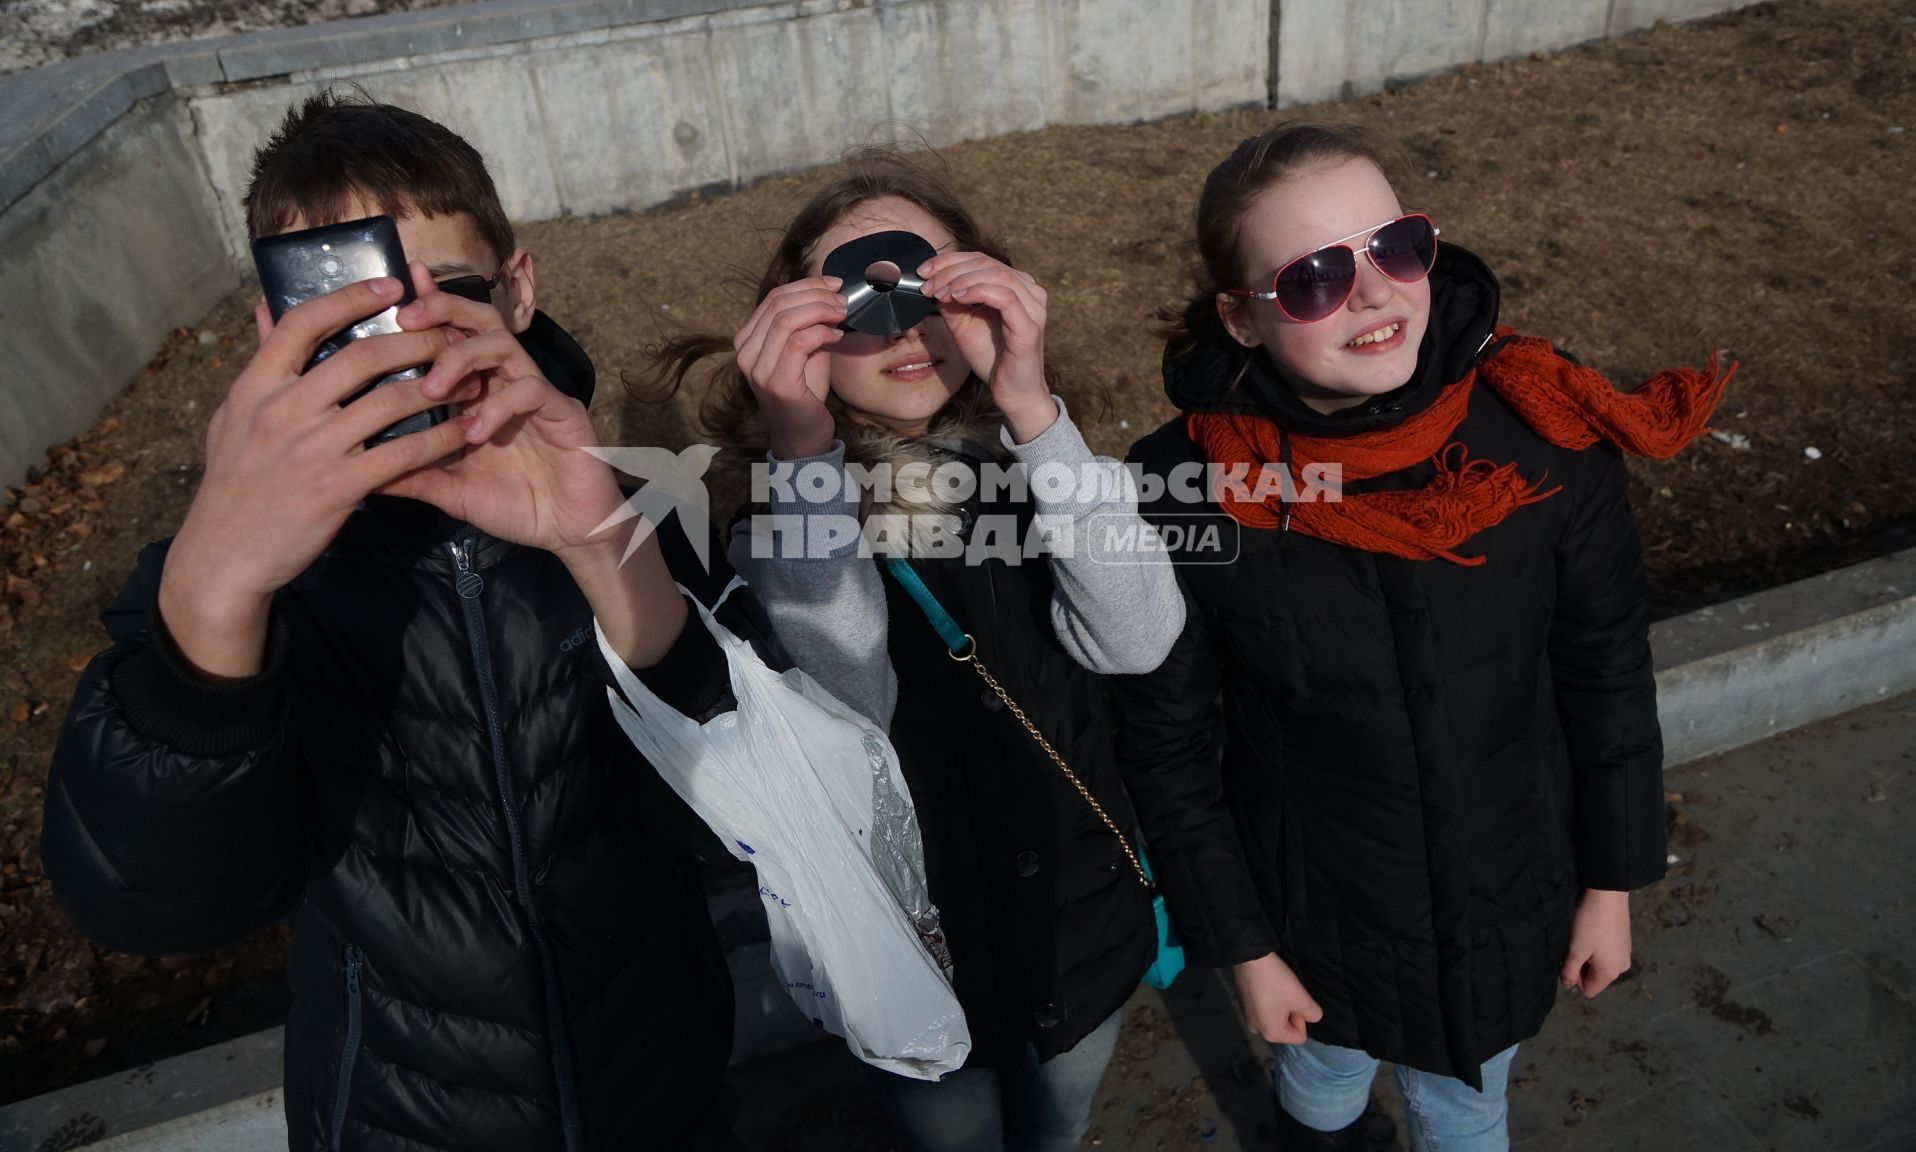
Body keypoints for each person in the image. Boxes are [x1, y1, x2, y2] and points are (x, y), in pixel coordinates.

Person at [41, 91, 759, 1151]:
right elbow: (160, 909)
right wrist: (210, 598)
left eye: (442, 305)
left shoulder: (634, 507)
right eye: (346, 328)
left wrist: (601, 547)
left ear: (518, 291)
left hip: (657, 1085)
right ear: (273, 332)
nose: (402, 362)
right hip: (398, 1116)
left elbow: (742, 814)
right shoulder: (248, 583)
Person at [1113, 122, 1734, 1152]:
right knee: (1320, 1085)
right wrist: (1243, 950)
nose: (1370, 292)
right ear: (1239, 315)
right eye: (1311, 276)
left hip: (1506, 889)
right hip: (1311, 910)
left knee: (1464, 1106)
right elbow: (1167, 740)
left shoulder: (1540, 435)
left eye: (1394, 246)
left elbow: (1605, 673)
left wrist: (1609, 881)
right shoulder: (1187, 486)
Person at [643, 147, 1182, 1152]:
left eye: (928, 283)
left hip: (1076, 928)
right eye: (850, 294)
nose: (900, 319)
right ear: (789, 326)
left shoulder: (1046, 471)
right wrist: (802, 445)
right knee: (951, 1134)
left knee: (1060, 1120)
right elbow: (845, 698)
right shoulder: (767, 517)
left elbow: (1137, 636)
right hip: (906, 953)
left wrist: (1030, 404)